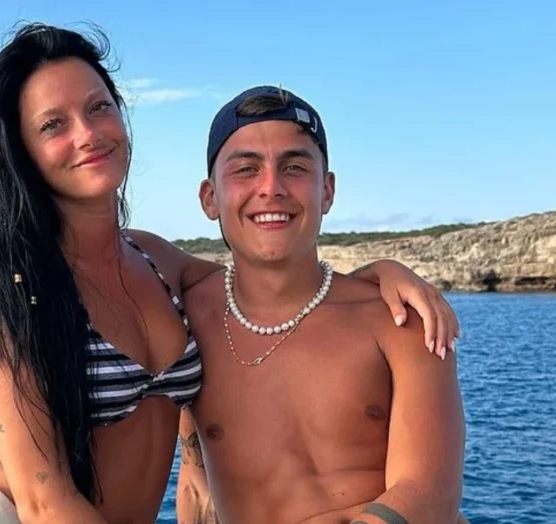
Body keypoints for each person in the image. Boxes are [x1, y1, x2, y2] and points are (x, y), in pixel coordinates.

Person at [0, 24, 459, 524]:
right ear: (22, 149)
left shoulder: (159, 262)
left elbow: (274, 280)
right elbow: (44, 503)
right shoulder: (15, 285)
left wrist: (378, 273)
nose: (87, 134)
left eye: (99, 108)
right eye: (53, 124)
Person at [176, 85, 466, 524]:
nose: (270, 187)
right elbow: (195, 486)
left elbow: (427, 493)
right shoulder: (184, 321)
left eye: (294, 167)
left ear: (327, 190)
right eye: (246, 169)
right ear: (209, 197)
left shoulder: (400, 320)